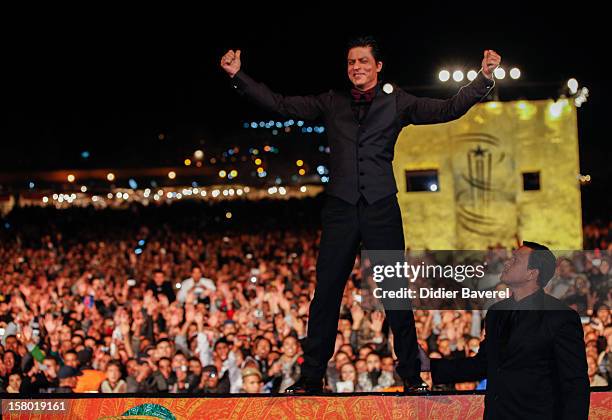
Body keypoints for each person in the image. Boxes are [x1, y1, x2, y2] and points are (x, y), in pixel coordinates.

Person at [221, 35, 500, 393]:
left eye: (364, 62)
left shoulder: (398, 101)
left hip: (381, 207)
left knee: (395, 295)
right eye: (352, 62)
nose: (357, 67)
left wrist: (484, 79)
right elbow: (281, 104)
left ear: (378, 66)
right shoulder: (331, 101)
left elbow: (447, 109)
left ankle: (412, 377)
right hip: (340, 208)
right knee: (326, 296)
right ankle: (311, 378)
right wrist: (238, 75)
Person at [421, 242, 590, 419]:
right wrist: (429, 365)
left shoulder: (560, 317)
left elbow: (575, 384)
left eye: (515, 260)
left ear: (532, 273)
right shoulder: (496, 313)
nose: (507, 263)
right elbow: (485, 363)